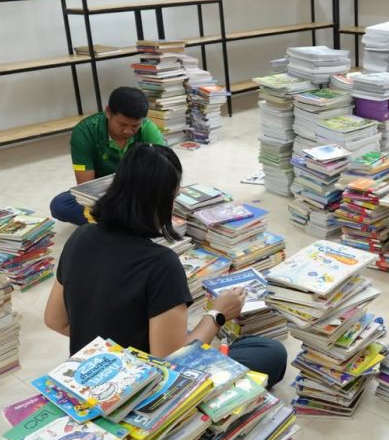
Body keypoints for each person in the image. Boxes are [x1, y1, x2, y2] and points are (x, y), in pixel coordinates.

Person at [43, 143, 287, 388]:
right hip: (142, 389)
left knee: (231, 342)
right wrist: (218, 314)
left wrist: (108, 341)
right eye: (174, 197)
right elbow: (171, 361)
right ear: (162, 202)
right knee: (270, 353)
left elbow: (55, 320)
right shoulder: (161, 263)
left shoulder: (80, 237)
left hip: (92, 375)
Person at [49, 87, 166, 226]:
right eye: (122, 124)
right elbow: (86, 186)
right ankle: (128, 222)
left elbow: (165, 171)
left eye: (135, 126)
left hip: (137, 192)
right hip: (103, 194)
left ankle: (116, 223)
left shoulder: (148, 129)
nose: (128, 131)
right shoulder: (85, 132)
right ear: (108, 112)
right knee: (60, 205)